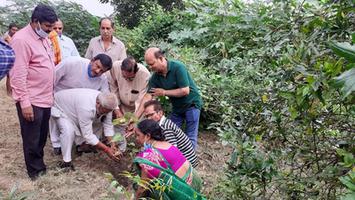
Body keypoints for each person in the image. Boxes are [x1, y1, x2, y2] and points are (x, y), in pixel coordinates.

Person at [9, 4, 58, 180]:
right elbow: (18, 75)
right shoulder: (21, 40)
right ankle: (35, 172)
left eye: (52, 27)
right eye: (47, 26)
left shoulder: (44, 37)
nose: (50, 30)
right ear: (35, 22)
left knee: (41, 136)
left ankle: (40, 165)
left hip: (45, 97)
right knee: (32, 137)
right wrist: (24, 103)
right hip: (32, 99)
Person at [137, 47, 203, 149]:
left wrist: (164, 92)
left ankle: (189, 163)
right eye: (148, 65)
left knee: (191, 136)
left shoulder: (178, 67)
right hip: (177, 107)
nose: (150, 67)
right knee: (166, 131)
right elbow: (147, 97)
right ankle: (171, 159)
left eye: (152, 64)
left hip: (192, 104)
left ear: (161, 58)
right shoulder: (155, 77)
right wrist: (135, 118)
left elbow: (185, 90)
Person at [50, 54, 112, 155]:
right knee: (57, 121)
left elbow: (106, 96)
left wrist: (116, 110)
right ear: (92, 60)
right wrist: (48, 95)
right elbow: (52, 78)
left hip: (79, 102)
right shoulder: (72, 63)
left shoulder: (102, 78)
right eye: (97, 66)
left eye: (102, 71)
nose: (97, 71)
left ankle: (81, 144)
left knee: (84, 120)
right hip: (59, 97)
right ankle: (57, 144)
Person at [51, 88, 121, 170]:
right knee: (68, 131)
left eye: (109, 112)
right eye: (105, 111)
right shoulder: (86, 107)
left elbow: (108, 125)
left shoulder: (107, 105)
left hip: (74, 106)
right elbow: (88, 135)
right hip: (60, 106)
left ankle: (82, 146)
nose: (107, 113)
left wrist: (112, 144)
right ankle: (66, 162)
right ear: (98, 103)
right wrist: (106, 149)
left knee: (96, 123)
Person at [133, 119, 202, 199]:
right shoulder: (168, 144)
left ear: (147, 136)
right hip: (195, 183)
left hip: (183, 194)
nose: (136, 138)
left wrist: (136, 198)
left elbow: (143, 186)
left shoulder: (148, 156)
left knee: (138, 185)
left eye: (138, 135)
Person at [108, 56, 150, 151]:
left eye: (130, 78)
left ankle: (143, 149)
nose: (127, 79)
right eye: (124, 77)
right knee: (119, 125)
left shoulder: (145, 74)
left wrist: (134, 120)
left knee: (137, 127)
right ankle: (120, 149)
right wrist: (117, 109)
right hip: (120, 103)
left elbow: (141, 100)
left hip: (137, 107)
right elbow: (113, 88)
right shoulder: (115, 67)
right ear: (121, 69)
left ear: (136, 71)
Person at [143, 100, 198, 167]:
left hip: (187, 163)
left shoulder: (165, 127)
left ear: (160, 113)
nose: (149, 118)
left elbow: (171, 151)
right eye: (146, 116)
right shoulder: (160, 124)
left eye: (151, 114)